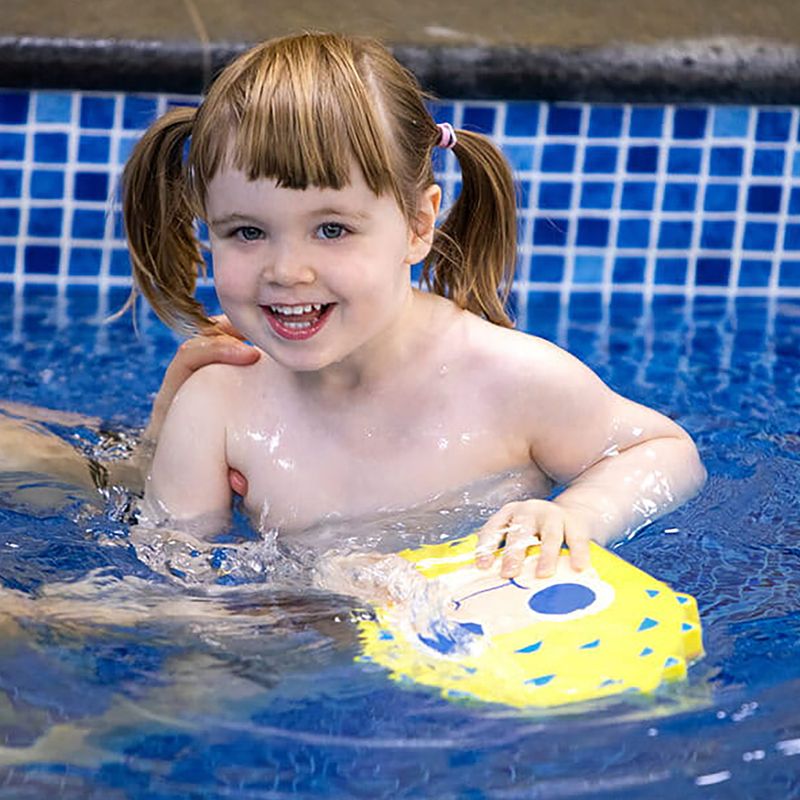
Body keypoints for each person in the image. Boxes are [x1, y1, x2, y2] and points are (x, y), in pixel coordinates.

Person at [115, 30, 705, 587]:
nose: (285, 270)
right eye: (246, 232)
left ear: (419, 226)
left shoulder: (507, 379)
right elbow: (178, 587)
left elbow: (666, 452)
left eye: (331, 228)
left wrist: (581, 512)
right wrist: (317, 600)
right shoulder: (218, 407)